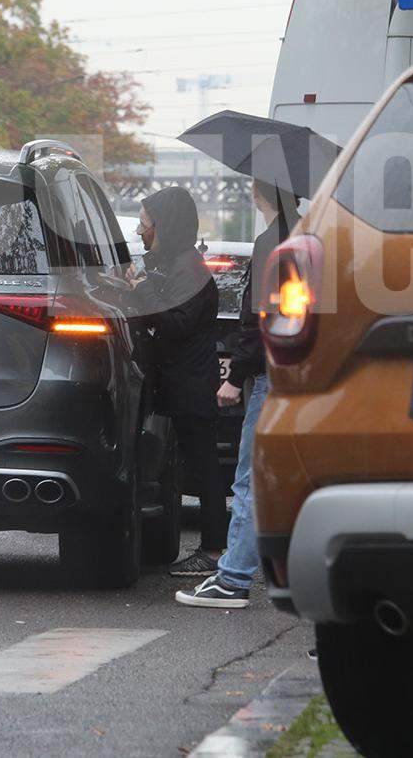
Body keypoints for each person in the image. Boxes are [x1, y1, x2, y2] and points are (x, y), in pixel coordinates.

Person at [176, 180, 292, 608]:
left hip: (269, 374)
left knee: (250, 479)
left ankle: (233, 578)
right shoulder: (309, 236)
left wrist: (234, 376)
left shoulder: (270, 242)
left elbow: (260, 320)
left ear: (259, 193)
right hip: (302, 374)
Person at [130, 187, 226, 578]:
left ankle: (215, 551)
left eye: (145, 223)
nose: (139, 230)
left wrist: (142, 288)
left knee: (204, 468)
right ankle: (214, 548)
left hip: (192, 383)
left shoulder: (190, 268)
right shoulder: (176, 264)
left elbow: (174, 323)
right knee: (193, 466)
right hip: (180, 382)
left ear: (164, 226)